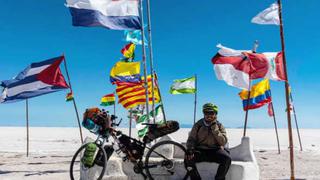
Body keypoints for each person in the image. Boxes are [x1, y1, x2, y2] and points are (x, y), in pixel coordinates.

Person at [185, 103, 231, 180]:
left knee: (227, 159)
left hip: (215, 151)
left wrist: (215, 129)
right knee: (188, 159)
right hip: (200, 150)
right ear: (203, 113)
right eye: (206, 113)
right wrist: (190, 149)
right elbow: (191, 139)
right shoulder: (198, 125)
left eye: (211, 113)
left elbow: (223, 142)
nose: (209, 115)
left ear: (215, 114)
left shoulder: (219, 126)